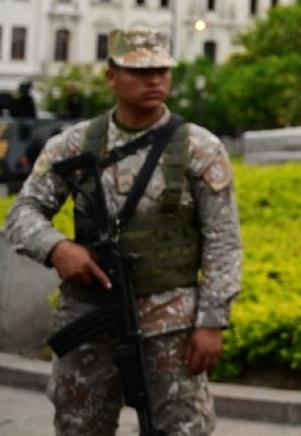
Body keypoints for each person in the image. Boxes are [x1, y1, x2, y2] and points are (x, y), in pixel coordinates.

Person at [4, 28, 242, 436]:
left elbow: (224, 241)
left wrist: (212, 322)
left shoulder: (200, 148)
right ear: (111, 76)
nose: (155, 80)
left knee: (181, 429)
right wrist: (56, 247)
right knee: (80, 427)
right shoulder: (73, 144)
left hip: (170, 326)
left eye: (162, 71)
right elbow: (22, 212)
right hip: (89, 317)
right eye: (141, 71)